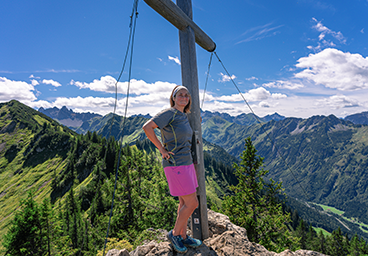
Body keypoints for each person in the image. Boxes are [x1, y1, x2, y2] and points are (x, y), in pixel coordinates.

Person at [142, 85, 202, 253]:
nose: (183, 97)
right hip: (176, 164)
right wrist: (161, 149)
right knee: (193, 203)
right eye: (180, 95)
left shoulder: (182, 116)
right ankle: (175, 234)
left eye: (186, 95)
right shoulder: (169, 113)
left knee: (184, 202)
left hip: (186, 163)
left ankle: (183, 236)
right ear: (173, 98)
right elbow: (147, 127)